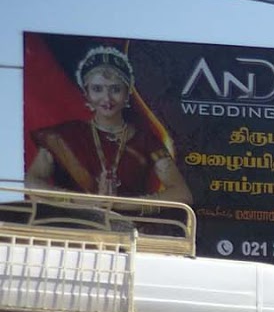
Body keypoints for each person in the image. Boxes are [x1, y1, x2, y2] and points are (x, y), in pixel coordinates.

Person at [26, 45, 192, 203]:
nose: (107, 98)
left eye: (115, 89)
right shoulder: (63, 136)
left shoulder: (146, 142)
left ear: (127, 93)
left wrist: (126, 204)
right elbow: (31, 182)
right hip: (74, 225)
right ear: (87, 92)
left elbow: (181, 194)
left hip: (129, 228)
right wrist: (82, 202)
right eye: (97, 89)